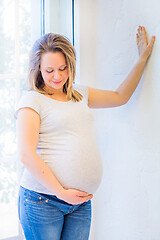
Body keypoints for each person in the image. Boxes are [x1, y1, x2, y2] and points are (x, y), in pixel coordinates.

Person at [15, 26, 155, 240]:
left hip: (79, 203)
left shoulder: (79, 94)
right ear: (38, 69)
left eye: (63, 68)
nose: (57, 76)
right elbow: (27, 154)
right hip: (43, 201)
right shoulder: (32, 100)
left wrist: (142, 59)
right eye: (49, 70)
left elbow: (120, 96)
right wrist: (62, 193)